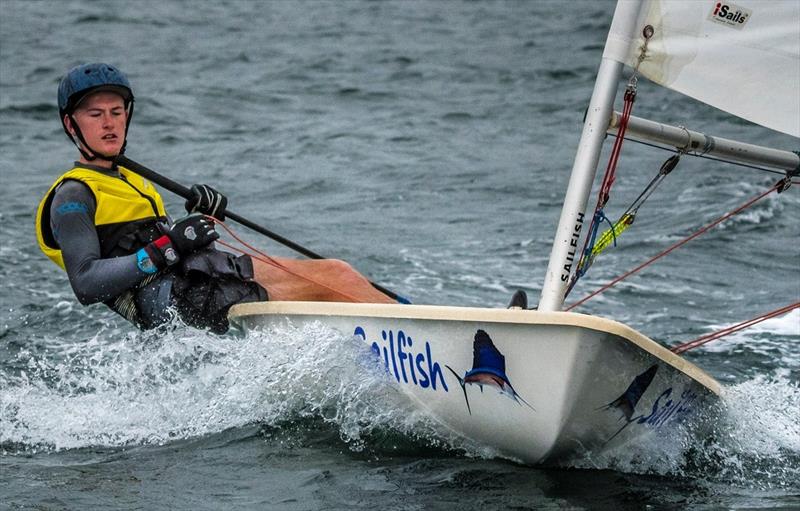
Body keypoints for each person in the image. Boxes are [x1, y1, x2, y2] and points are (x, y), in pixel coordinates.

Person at [36, 63, 394, 333]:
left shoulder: (128, 179)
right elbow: (85, 282)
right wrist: (169, 245)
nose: (109, 124)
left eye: (116, 112)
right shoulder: (73, 195)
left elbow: (149, 241)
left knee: (335, 276)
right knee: (336, 278)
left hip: (194, 280)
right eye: (95, 115)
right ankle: (421, 338)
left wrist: (194, 219)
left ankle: (399, 332)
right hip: (177, 300)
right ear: (71, 125)